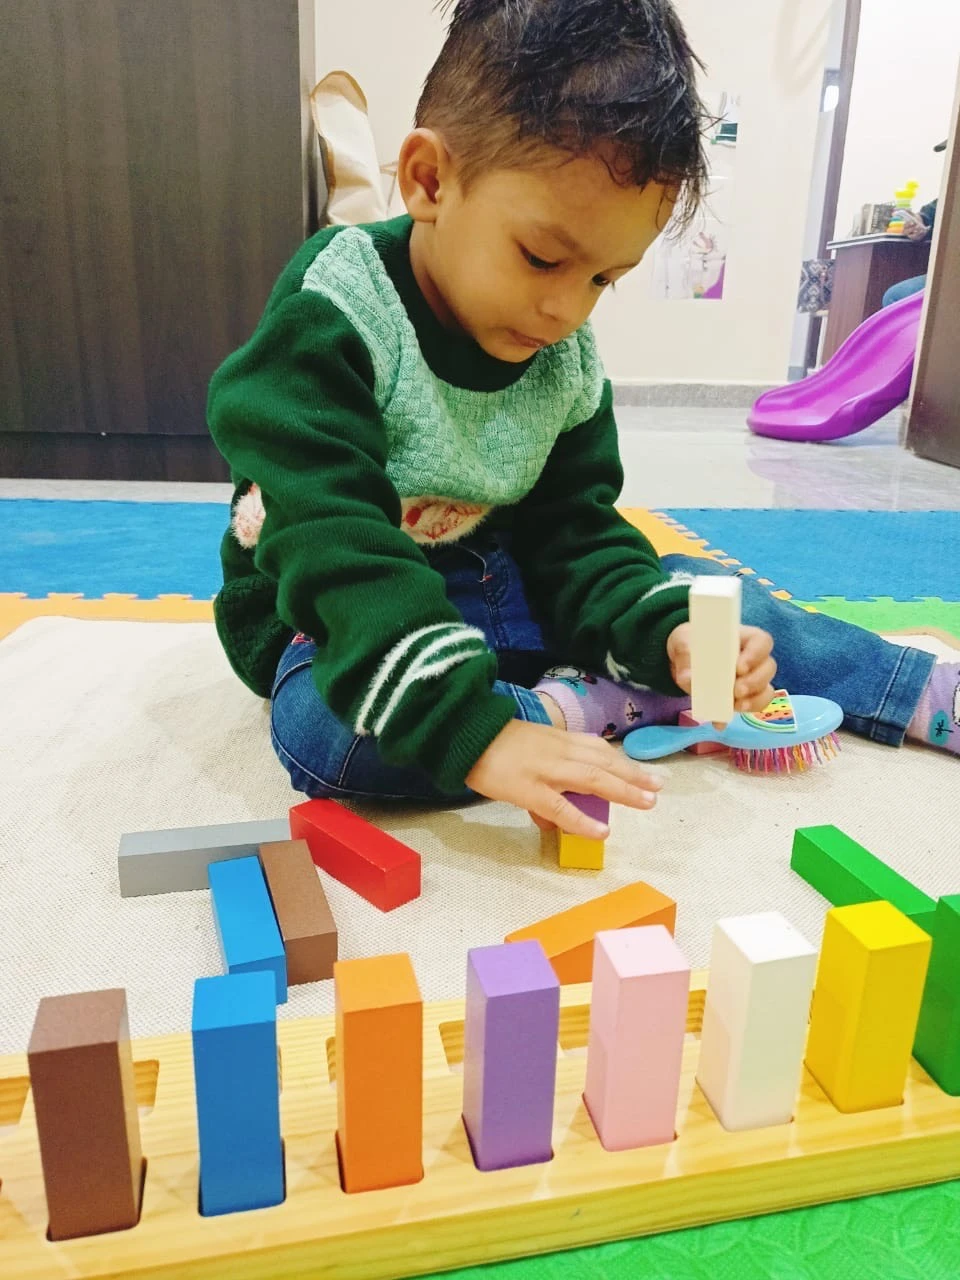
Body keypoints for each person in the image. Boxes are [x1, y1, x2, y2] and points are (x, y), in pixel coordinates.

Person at [208, 0, 959, 842]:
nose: (567, 308)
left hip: (504, 586)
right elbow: (330, 536)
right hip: (340, 609)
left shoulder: (563, 358)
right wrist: (480, 736)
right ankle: (581, 705)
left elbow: (577, 537)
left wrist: (668, 633)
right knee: (325, 739)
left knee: (713, 603)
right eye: (542, 257)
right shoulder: (336, 312)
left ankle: (920, 689)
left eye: (605, 278)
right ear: (428, 181)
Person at [882, 139, 945, 306]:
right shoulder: (952, 192)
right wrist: (918, 225)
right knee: (896, 296)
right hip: (948, 274)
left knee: (895, 297)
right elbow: (929, 215)